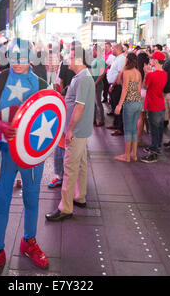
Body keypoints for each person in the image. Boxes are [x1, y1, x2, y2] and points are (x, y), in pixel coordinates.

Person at [0, 38, 49, 276]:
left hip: (32, 155)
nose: (17, 63)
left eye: (22, 58)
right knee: (1, 202)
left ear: (30, 57)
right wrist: (0, 124)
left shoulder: (42, 84)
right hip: (4, 151)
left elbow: (51, 114)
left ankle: (29, 241)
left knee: (32, 199)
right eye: (13, 58)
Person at [45, 41, 95, 222]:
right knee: (81, 165)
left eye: (72, 57)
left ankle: (65, 207)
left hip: (77, 131)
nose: (68, 60)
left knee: (70, 168)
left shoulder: (82, 78)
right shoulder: (83, 76)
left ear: (80, 59)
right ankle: (79, 197)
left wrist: (70, 129)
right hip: (81, 131)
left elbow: (79, 107)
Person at [48, 51, 75, 189]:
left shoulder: (65, 65)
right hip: (67, 98)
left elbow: (59, 81)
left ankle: (63, 177)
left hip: (66, 98)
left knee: (64, 151)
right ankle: (63, 176)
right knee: (63, 151)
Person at [114, 53, 143, 162]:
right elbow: (139, 90)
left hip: (129, 103)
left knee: (127, 129)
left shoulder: (127, 72)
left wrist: (119, 105)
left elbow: (124, 89)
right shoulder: (138, 73)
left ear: (127, 60)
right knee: (134, 129)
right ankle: (133, 154)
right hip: (138, 102)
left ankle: (126, 155)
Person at [140, 51, 168, 163]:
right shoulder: (164, 73)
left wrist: (146, 73)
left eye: (151, 58)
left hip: (153, 104)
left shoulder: (151, 74)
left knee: (154, 130)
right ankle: (156, 147)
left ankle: (154, 153)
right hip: (160, 104)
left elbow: (144, 87)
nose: (150, 60)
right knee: (159, 128)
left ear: (156, 61)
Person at [106, 44, 126, 136]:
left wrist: (113, 85)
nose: (112, 50)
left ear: (118, 49)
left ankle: (120, 128)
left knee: (118, 106)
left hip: (117, 86)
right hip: (113, 85)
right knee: (114, 105)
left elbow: (120, 74)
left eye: (113, 48)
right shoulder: (117, 58)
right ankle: (116, 123)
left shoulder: (121, 59)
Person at [91, 44, 106, 127]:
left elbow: (102, 74)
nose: (92, 52)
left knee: (98, 102)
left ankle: (101, 120)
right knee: (93, 103)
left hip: (98, 84)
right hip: (93, 84)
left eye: (93, 50)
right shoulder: (94, 61)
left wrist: (95, 83)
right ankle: (93, 119)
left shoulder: (101, 61)